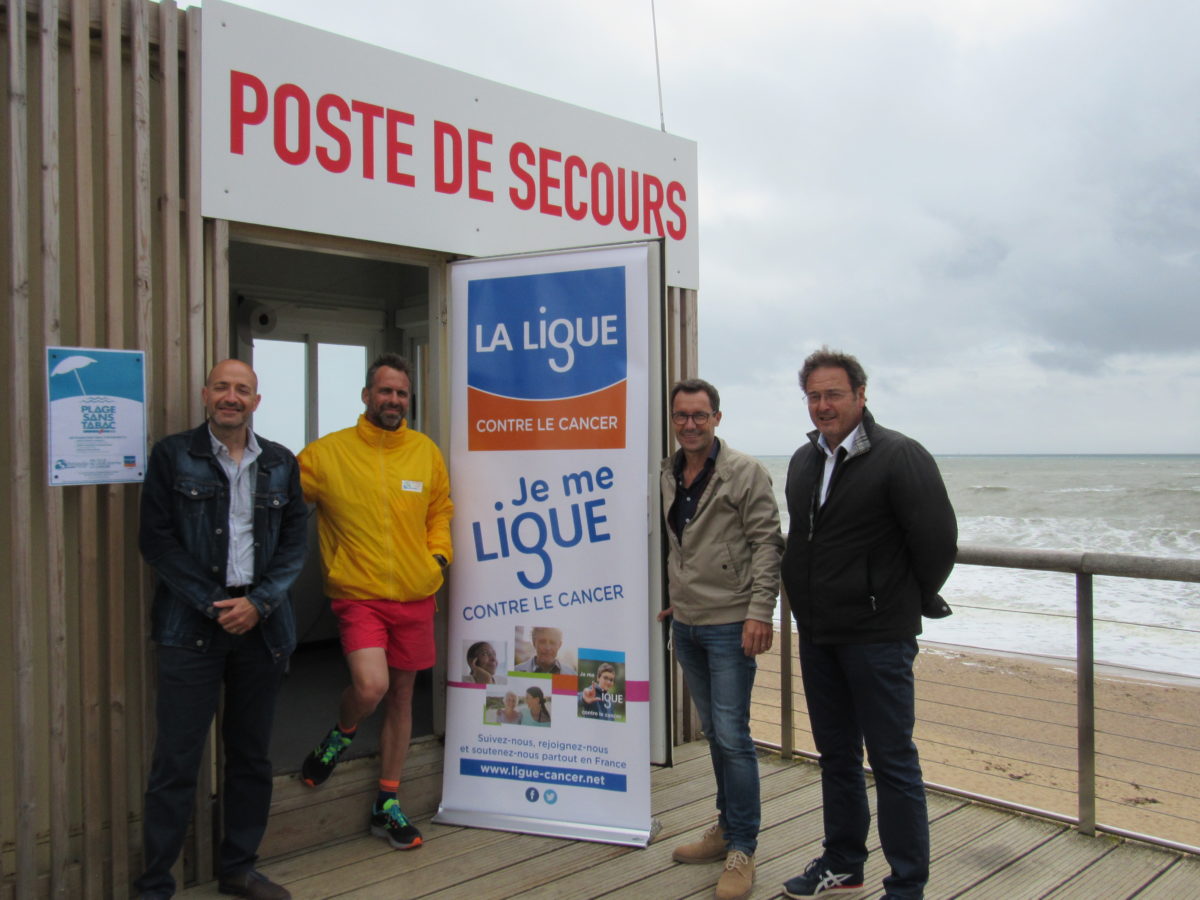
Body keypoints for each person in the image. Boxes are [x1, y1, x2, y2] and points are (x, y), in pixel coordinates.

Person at [779, 348, 956, 900]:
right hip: (821, 635)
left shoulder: (900, 455)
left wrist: (898, 601)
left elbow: (936, 544)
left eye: (834, 394)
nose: (823, 405)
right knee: (835, 757)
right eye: (814, 396)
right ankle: (843, 865)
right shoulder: (804, 461)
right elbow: (807, 542)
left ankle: (907, 884)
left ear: (860, 395)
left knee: (893, 761)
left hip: (878, 637)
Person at [135, 359, 306, 900]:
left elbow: (294, 544)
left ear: (256, 401)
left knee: (251, 757)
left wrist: (257, 603)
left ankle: (239, 868)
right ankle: (155, 884)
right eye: (223, 387)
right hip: (190, 629)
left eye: (243, 390)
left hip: (262, 629)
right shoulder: (172, 455)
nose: (232, 397)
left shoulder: (280, 462)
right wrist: (218, 606)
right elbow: (156, 541)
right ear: (206, 394)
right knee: (176, 761)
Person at [296, 353, 453, 852]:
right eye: (384, 391)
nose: (393, 400)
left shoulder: (424, 451)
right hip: (358, 594)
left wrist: (439, 557)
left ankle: (387, 802)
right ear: (366, 396)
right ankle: (341, 733)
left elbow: (440, 510)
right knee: (371, 687)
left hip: (414, 593)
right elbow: (276, 500)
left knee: (403, 698)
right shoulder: (326, 455)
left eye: (401, 393)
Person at [658, 378, 784, 900]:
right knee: (714, 732)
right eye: (682, 416)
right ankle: (726, 826)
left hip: (732, 625)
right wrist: (676, 598)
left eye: (700, 416)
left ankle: (743, 849)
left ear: (717, 418)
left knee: (734, 736)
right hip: (686, 624)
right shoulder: (667, 472)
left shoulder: (743, 472)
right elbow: (683, 545)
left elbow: (767, 545)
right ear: (673, 419)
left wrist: (760, 612)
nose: (690, 424)